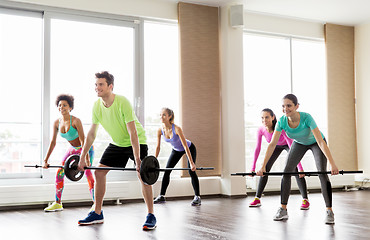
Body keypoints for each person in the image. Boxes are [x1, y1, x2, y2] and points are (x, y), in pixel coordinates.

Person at [77, 71, 156, 230]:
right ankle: (97, 212)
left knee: (143, 176)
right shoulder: (97, 106)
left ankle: (151, 214)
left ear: (110, 86)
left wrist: (138, 159)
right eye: (96, 84)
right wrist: (82, 156)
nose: (97, 88)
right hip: (117, 144)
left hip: (137, 141)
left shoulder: (122, 102)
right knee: (99, 172)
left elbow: (133, 132)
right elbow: (91, 134)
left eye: (101, 84)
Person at [257, 94, 339, 224]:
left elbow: (320, 141)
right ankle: (283, 209)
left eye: (289, 105)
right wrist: (263, 166)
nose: (286, 109)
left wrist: (332, 164)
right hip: (299, 143)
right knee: (287, 171)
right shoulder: (282, 121)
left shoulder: (306, 117)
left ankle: (329, 211)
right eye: (283, 106)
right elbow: (272, 144)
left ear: (297, 106)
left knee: (322, 173)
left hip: (316, 142)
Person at [43, 94, 95, 212]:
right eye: (60, 105)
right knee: (59, 172)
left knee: (87, 173)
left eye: (65, 105)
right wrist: (46, 160)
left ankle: (95, 204)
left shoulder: (76, 121)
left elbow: (83, 141)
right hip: (73, 149)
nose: (62, 107)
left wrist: (85, 159)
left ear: (70, 107)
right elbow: (53, 142)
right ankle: (57, 203)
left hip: (86, 148)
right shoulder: (57, 122)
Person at [249, 108, 309, 209]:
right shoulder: (261, 130)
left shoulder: (280, 127)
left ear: (273, 117)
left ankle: (305, 200)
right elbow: (257, 148)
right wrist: (253, 167)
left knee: (294, 168)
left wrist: (300, 167)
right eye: (262, 118)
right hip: (275, 146)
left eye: (267, 117)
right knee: (265, 168)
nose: (264, 120)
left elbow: (290, 144)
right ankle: (257, 198)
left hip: (287, 144)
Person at [153, 108, 200, 206]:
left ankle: (197, 197)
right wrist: (154, 160)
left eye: (164, 115)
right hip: (176, 150)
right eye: (160, 115)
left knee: (191, 171)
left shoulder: (177, 129)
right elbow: (158, 147)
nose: (161, 117)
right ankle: (161, 196)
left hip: (189, 148)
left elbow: (185, 146)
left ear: (170, 116)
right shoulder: (160, 130)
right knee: (167, 171)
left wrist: (192, 163)